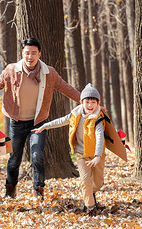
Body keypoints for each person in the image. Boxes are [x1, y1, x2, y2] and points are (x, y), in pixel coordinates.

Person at [0, 38, 80, 199]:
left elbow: (67, 88)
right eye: (27, 53)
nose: (30, 56)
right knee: (14, 159)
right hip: (17, 122)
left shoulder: (49, 73)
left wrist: (88, 101)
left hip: (38, 122)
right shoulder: (11, 70)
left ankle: (38, 189)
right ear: (22, 54)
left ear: (39, 54)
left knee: (37, 155)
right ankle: (10, 188)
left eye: (34, 53)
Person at [32, 83, 105, 216]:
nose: (90, 105)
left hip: (97, 154)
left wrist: (98, 156)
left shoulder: (99, 118)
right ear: (81, 102)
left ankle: (90, 194)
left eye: (93, 102)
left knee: (98, 183)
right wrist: (44, 126)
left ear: (98, 103)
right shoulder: (75, 114)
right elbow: (61, 121)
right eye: (87, 102)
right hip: (81, 154)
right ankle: (90, 207)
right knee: (85, 181)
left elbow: (100, 138)